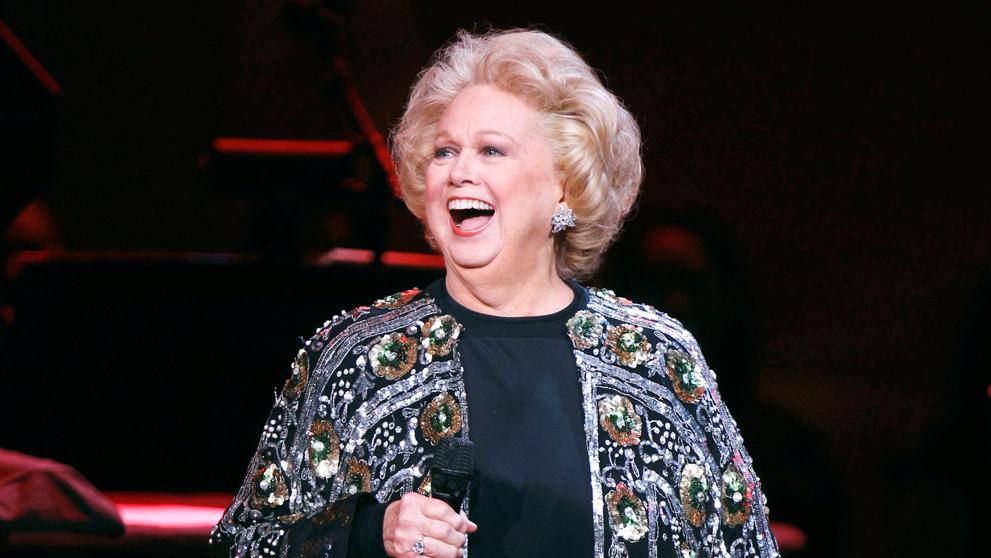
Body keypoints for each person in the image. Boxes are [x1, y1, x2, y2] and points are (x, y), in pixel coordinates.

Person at [210, 28, 779, 558]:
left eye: (491, 151)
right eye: (444, 151)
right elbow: (244, 543)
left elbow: (744, 545)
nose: (459, 172)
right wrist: (368, 531)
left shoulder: (655, 357)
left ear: (564, 185)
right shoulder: (355, 356)